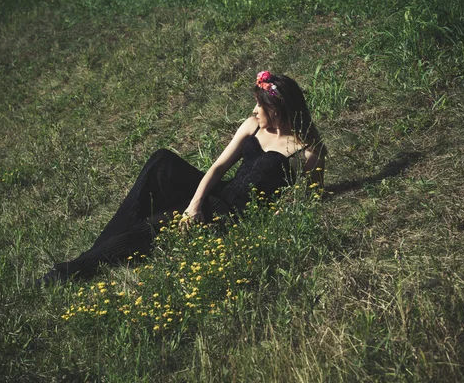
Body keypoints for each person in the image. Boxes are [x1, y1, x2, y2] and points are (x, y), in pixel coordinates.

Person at [35, 71, 327, 286]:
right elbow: (217, 168)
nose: (253, 110)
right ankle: (91, 253)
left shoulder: (306, 148)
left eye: (259, 106)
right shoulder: (253, 126)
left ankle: (72, 270)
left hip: (235, 214)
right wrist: (194, 205)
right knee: (162, 161)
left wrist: (280, 214)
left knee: (151, 227)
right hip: (218, 194)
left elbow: (312, 198)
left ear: (276, 109)